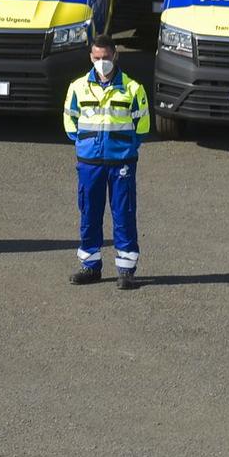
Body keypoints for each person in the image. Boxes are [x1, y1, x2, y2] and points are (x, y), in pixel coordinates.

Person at [64, 37, 150, 289]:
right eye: (96, 57)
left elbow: (142, 125)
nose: (101, 62)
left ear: (115, 56)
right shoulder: (77, 87)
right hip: (90, 162)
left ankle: (126, 271)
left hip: (121, 161)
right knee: (89, 212)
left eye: (105, 57)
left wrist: (127, 148)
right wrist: (84, 145)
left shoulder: (133, 88)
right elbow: (70, 121)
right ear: (91, 57)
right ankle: (90, 267)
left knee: (124, 213)